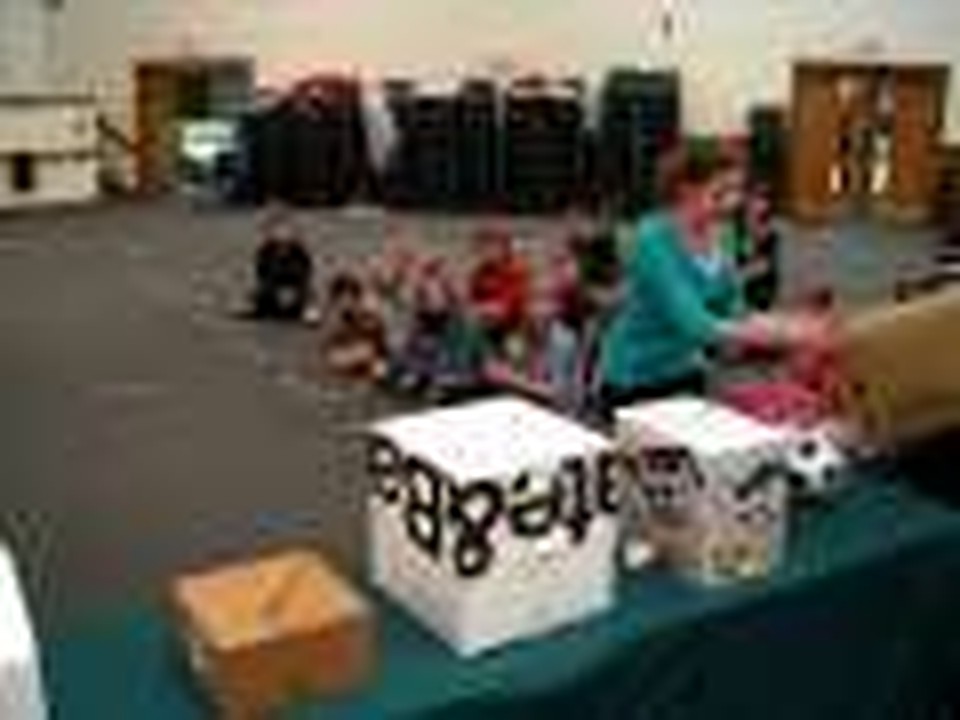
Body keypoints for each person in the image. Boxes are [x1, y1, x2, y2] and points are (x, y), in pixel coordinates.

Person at [597, 145, 790, 420]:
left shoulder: (723, 235)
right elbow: (694, 323)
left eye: (737, 192)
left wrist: (765, 327)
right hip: (635, 379)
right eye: (720, 193)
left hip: (686, 371)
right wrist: (784, 333)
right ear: (686, 191)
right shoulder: (651, 239)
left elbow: (733, 305)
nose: (732, 203)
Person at [467, 223, 531, 352]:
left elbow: (507, 309)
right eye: (481, 247)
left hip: (513, 330)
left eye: (488, 246)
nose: (484, 252)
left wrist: (480, 310)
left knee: (515, 350)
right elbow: (471, 301)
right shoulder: (480, 272)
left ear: (503, 248)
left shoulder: (516, 269)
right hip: (485, 329)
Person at [319, 270, 388, 381]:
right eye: (342, 298)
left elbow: (377, 337)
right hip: (344, 353)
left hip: (363, 351)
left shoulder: (365, 313)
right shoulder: (334, 318)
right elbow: (329, 347)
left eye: (351, 297)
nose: (346, 303)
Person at [249, 207, 315, 321]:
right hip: (272, 295)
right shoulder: (266, 252)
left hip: (296, 292)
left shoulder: (299, 253)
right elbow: (261, 274)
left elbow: (307, 274)